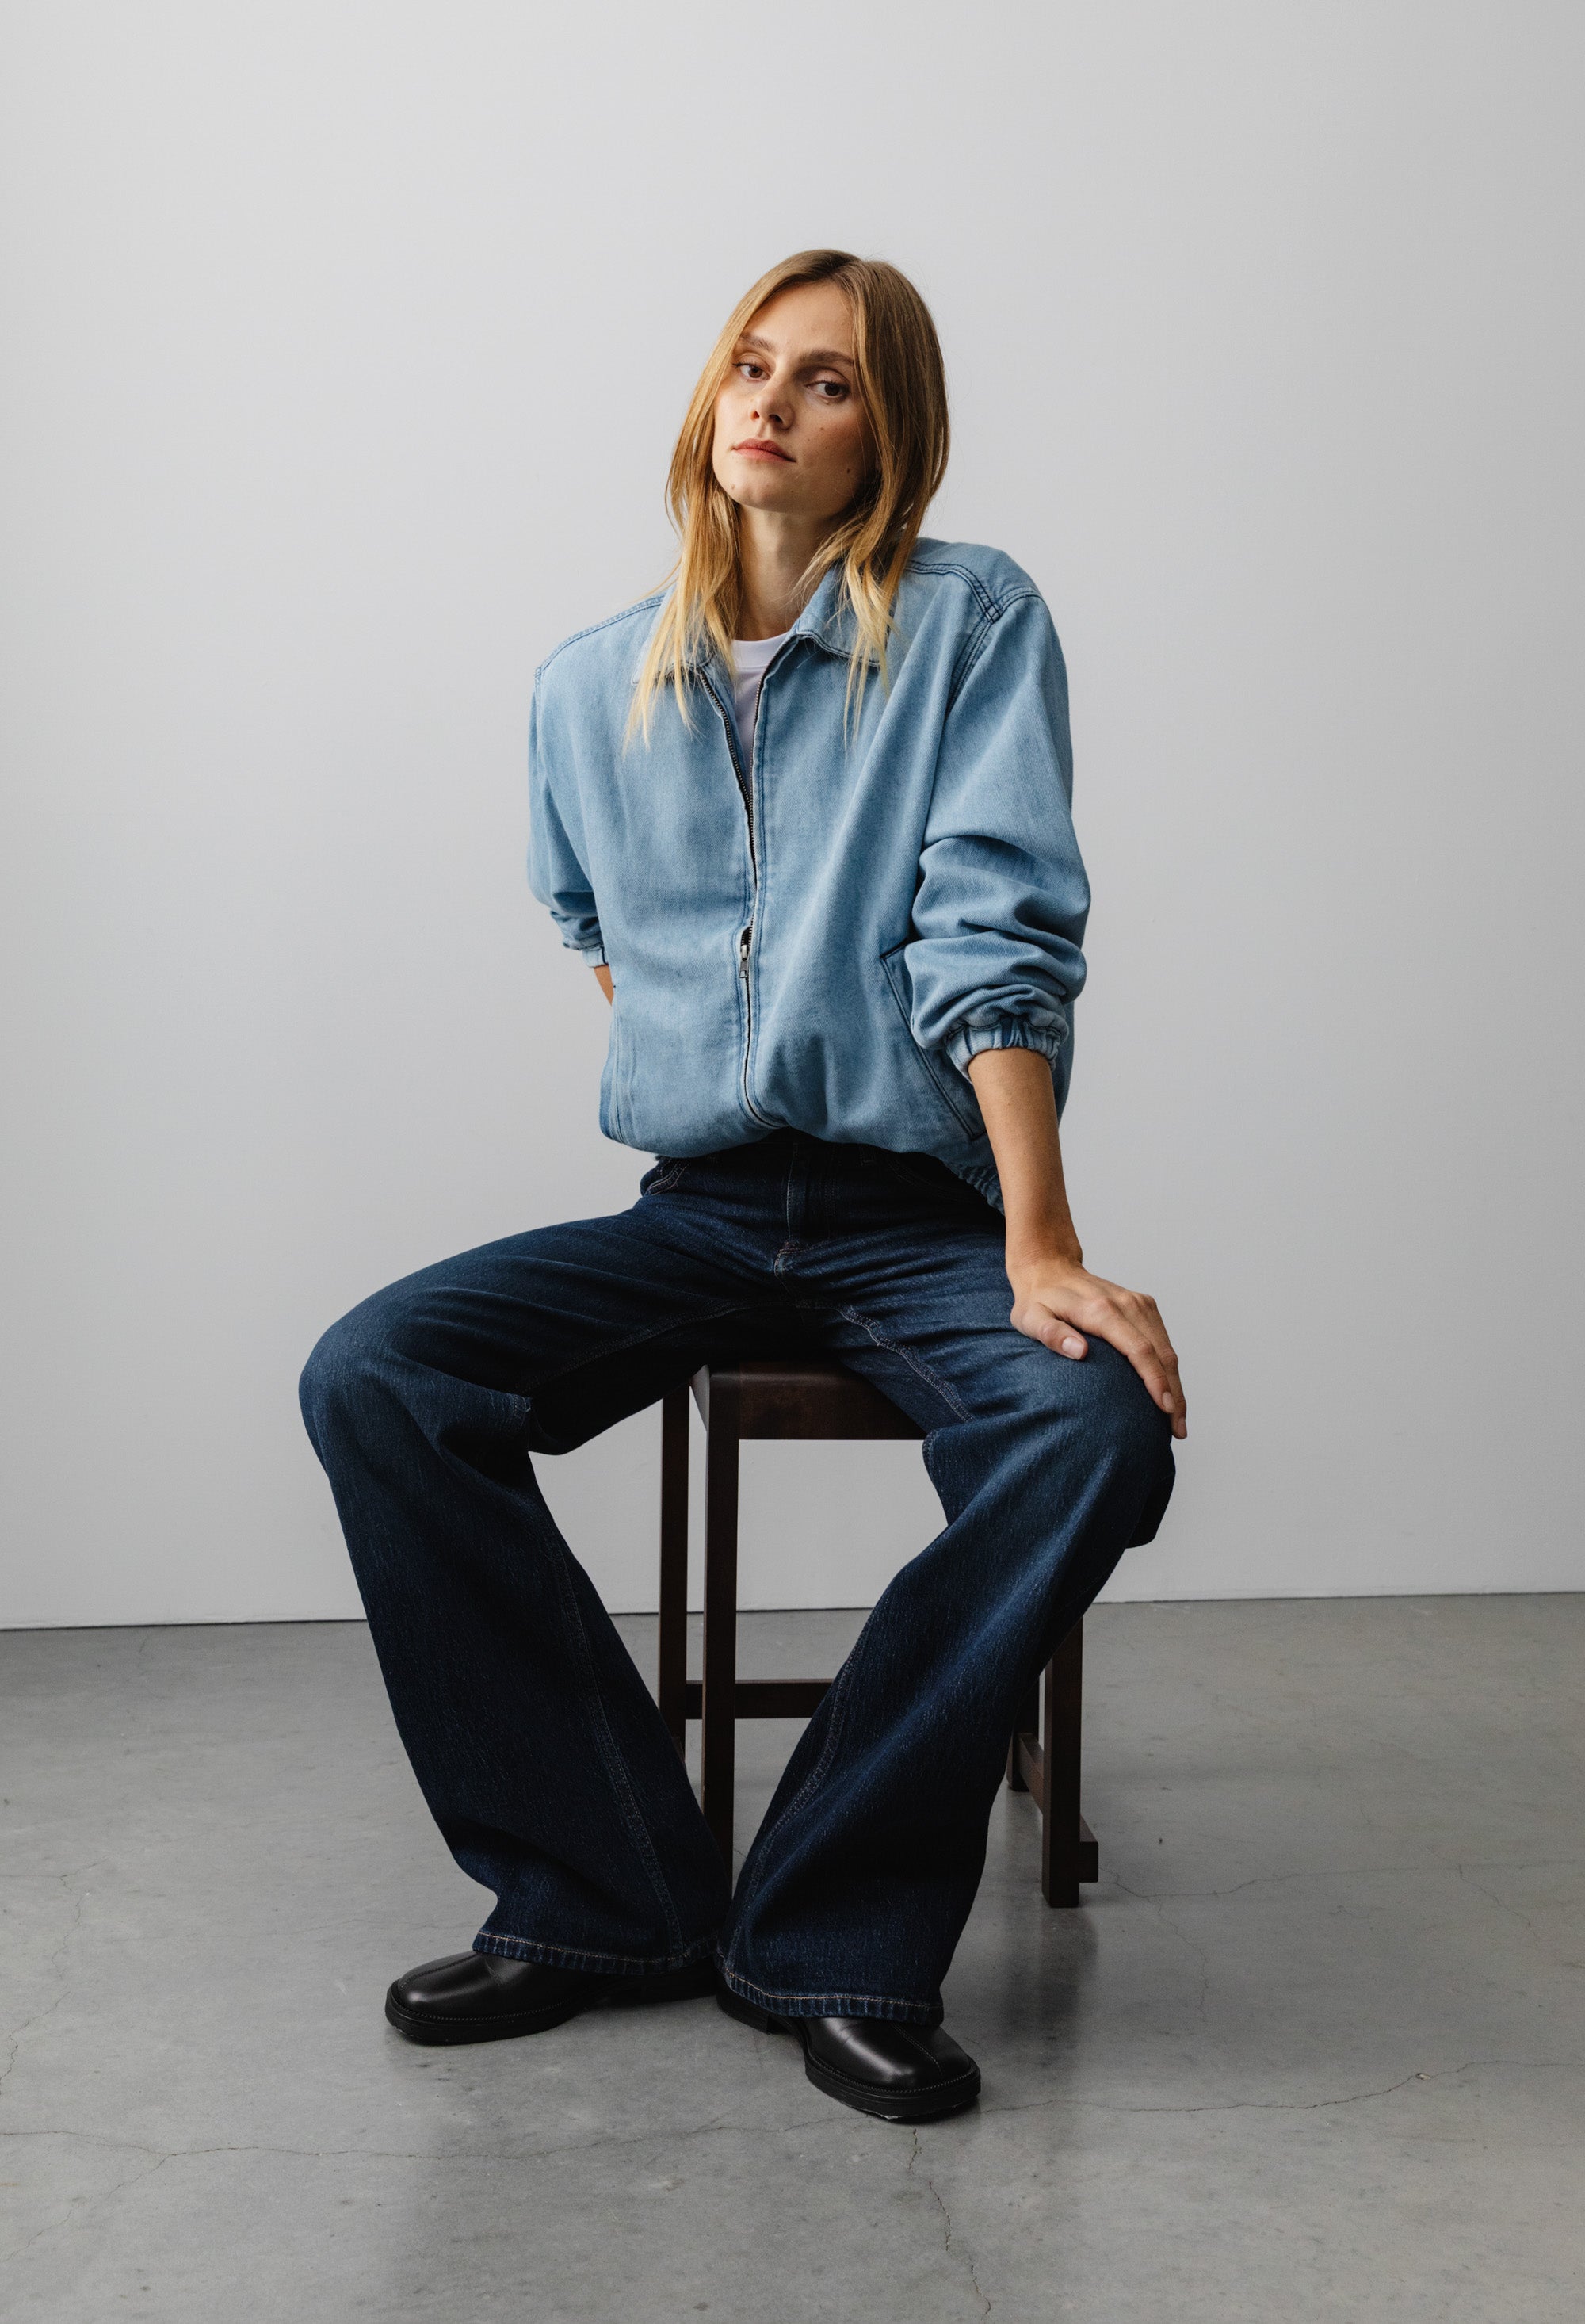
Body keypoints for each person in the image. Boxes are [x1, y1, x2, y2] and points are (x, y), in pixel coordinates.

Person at [300, 248, 1186, 2127]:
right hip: (697, 1206)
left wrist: (1040, 1238)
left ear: (895, 435)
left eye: (831, 382)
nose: (773, 402)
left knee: (1096, 1425)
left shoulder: (969, 626)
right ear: (711, 405)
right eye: (750, 367)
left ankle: (834, 1932)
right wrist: (726, 1059)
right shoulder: (582, 687)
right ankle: (599, 1889)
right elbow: (595, 927)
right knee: (376, 1373)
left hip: (919, 1214)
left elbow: (994, 935)